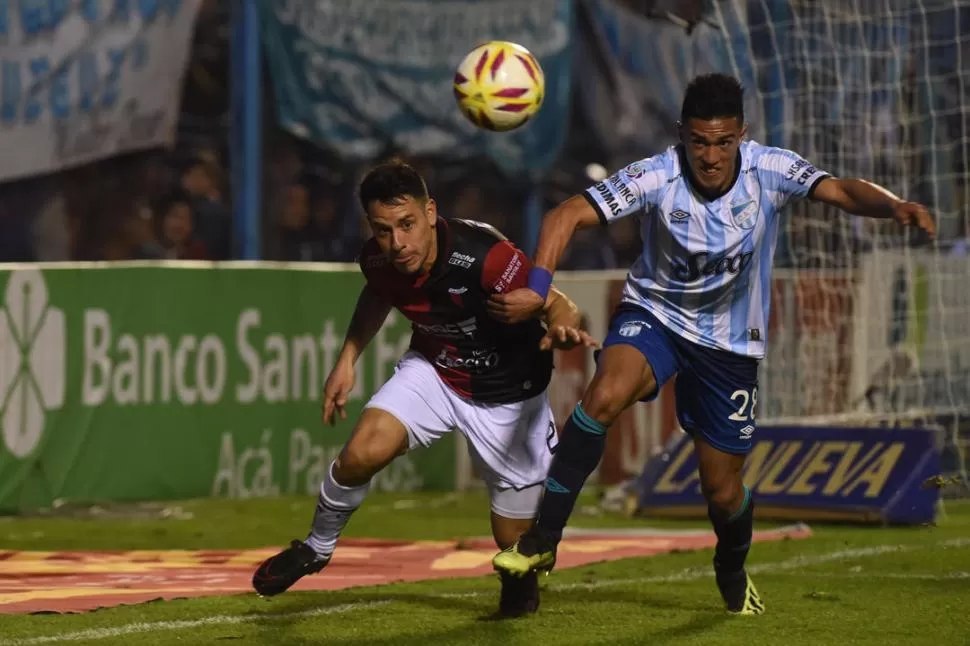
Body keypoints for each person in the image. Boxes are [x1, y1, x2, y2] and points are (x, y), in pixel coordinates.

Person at [489, 73, 936, 615]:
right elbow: (566, 215)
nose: (711, 156)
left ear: (741, 136)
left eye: (723, 143)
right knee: (603, 396)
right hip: (655, 315)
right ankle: (543, 540)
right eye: (699, 142)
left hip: (729, 347)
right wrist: (538, 290)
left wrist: (894, 206)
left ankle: (731, 564)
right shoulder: (656, 175)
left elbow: (840, 191)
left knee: (722, 490)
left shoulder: (770, 169)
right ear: (682, 135)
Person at [252, 159, 597, 617]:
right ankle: (315, 548)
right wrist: (347, 358)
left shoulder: (485, 256)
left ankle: (518, 587)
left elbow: (560, 304)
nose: (397, 243)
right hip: (435, 372)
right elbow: (378, 292)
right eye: (382, 229)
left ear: (430, 212)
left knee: (514, 546)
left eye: (407, 224)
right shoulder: (378, 259)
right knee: (361, 453)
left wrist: (561, 327)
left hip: (510, 398)